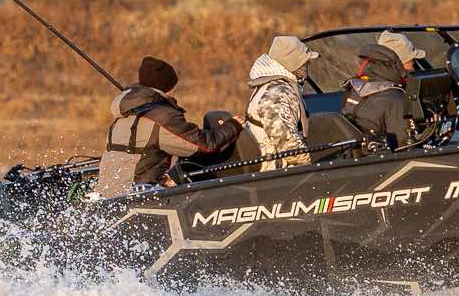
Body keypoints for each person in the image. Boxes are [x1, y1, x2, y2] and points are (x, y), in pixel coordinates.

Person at [96, 56, 242, 195]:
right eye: (173, 87)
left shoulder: (124, 115)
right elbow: (203, 145)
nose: (175, 92)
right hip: (138, 198)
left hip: (109, 194)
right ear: (166, 87)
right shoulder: (163, 116)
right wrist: (233, 126)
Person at [245, 35, 316, 170]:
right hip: (276, 172)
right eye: (306, 62)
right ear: (295, 64)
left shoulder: (271, 85)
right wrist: (313, 168)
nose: (308, 65)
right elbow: (288, 146)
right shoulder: (277, 94)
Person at [342, 41, 414, 150]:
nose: (413, 67)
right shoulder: (395, 99)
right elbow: (405, 146)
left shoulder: (355, 87)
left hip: (352, 153)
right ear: (399, 64)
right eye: (411, 61)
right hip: (377, 161)